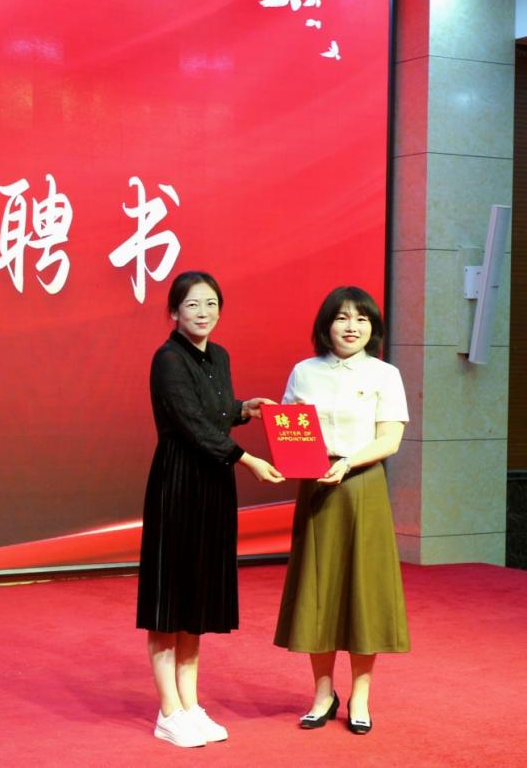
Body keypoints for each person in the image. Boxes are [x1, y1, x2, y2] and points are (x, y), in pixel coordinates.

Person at [136, 270, 284, 748]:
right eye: (193, 305)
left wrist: (244, 409)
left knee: (197, 598)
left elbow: (214, 411)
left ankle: (190, 703)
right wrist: (249, 459)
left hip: (213, 486)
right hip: (179, 483)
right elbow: (192, 424)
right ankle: (168, 711)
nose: (203, 313)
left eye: (211, 304)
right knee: (170, 600)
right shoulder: (167, 359)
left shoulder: (218, 355)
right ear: (174, 312)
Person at [273, 285, 409, 735]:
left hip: (363, 484)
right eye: (342, 318)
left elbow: (390, 439)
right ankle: (323, 693)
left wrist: (348, 462)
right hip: (316, 486)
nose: (352, 327)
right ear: (326, 325)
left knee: (364, 591)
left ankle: (361, 696)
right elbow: (291, 431)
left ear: (373, 327)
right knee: (319, 591)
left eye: (362, 319)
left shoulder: (385, 374)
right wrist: (292, 441)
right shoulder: (304, 371)